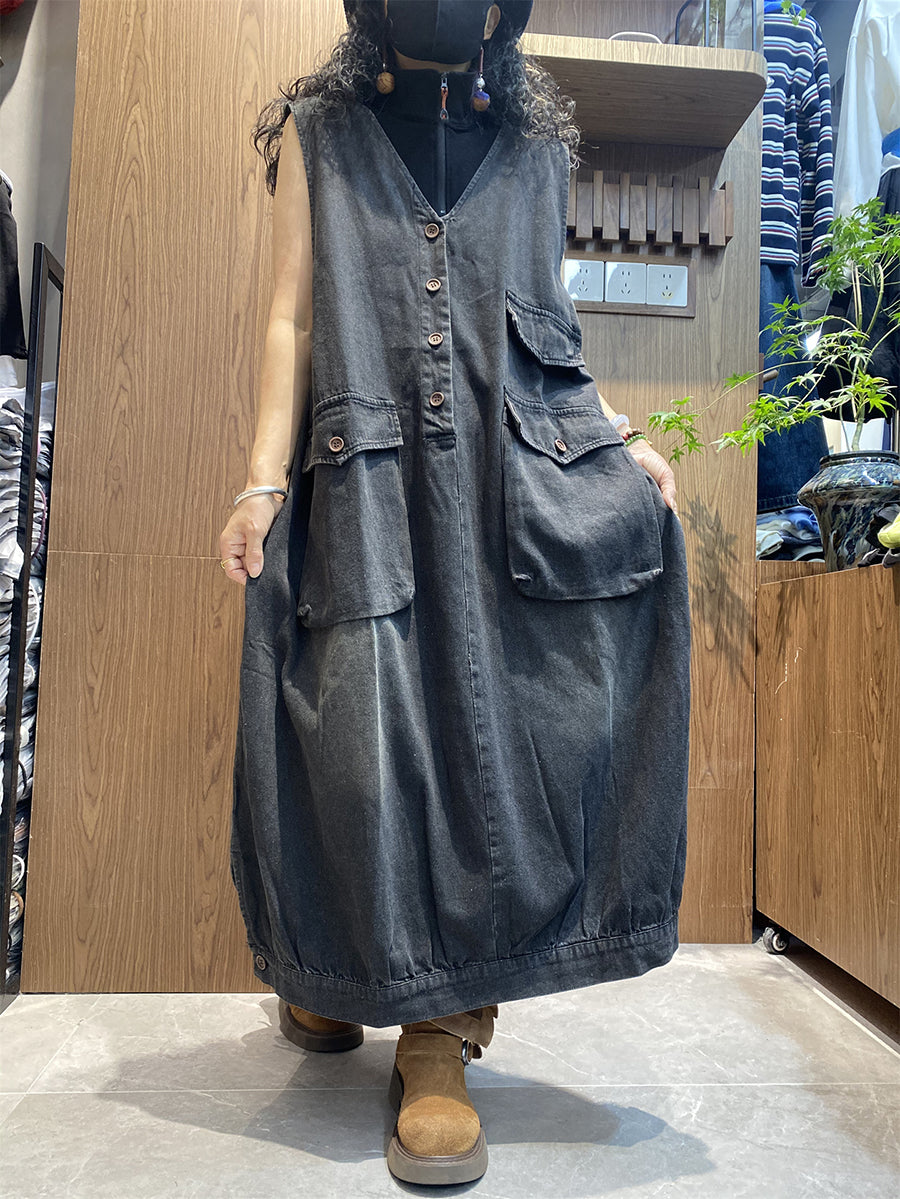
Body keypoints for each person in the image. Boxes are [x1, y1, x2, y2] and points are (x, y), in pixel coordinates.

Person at [218, 1, 690, 1185]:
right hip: (365, 478)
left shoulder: (536, 151)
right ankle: (335, 974)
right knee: (353, 740)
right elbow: (291, 314)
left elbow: (549, 331)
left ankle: (439, 1032)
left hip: (502, 483)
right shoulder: (320, 133)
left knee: (496, 745)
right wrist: (261, 481)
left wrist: (620, 436)